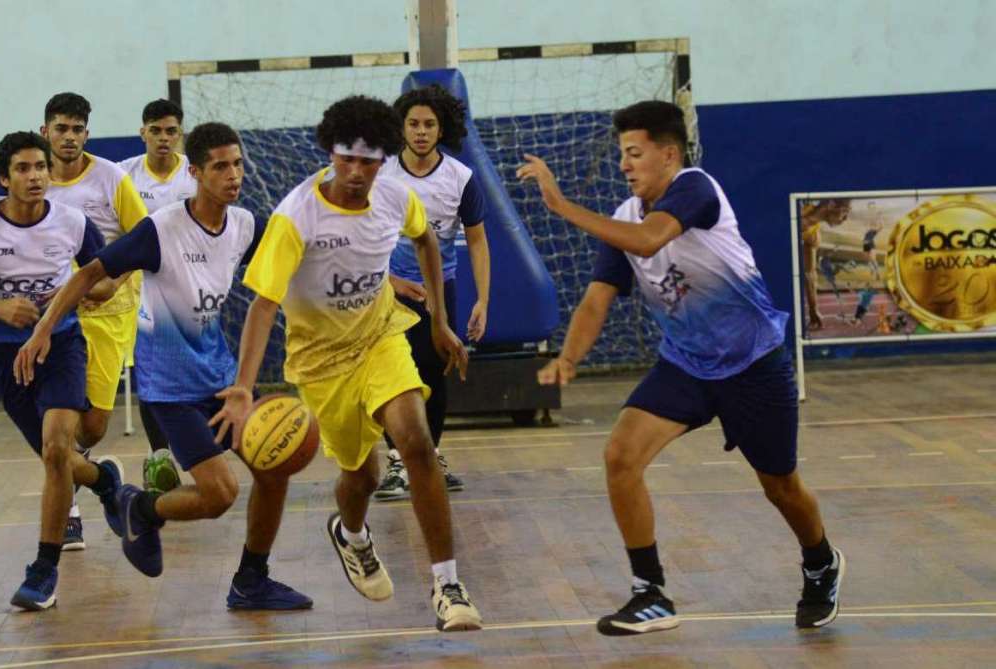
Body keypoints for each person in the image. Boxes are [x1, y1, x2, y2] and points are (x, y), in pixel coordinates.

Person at [518, 100, 844, 635]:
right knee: (621, 456)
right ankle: (650, 593)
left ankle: (820, 561)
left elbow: (651, 239)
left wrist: (561, 205)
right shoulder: (625, 217)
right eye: (622, 154)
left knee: (780, 486)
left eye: (634, 153)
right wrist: (568, 358)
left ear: (668, 155)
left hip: (752, 363)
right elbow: (598, 298)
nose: (624, 165)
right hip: (687, 365)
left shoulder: (696, 188)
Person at [210, 95, 483, 632]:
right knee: (361, 477)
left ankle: (448, 586)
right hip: (321, 361)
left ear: (384, 159)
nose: (357, 172)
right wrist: (243, 386)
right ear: (329, 154)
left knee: (417, 444)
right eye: (346, 159)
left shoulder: (395, 196)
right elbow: (263, 306)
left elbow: (427, 240)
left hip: (380, 338)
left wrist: (438, 318)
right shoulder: (296, 216)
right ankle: (351, 533)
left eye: (369, 161)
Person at [18, 123, 311, 610]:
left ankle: (251, 580)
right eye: (220, 166)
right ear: (195, 172)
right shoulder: (162, 229)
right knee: (220, 494)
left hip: (221, 381)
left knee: (274, 466)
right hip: (170, 390)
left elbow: (292, 262)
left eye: (238, 164)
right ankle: (142, 507)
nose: (234, 175)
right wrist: (45, 327)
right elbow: (90, 273)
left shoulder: (244, 225)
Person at [0, 131, 124, 611]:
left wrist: (73, 295)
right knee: (58, 460)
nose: (34, 176)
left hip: (62, 345)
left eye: (40, 167)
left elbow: (106, 282)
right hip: (7, 356)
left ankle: (43, 569)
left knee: (57, 449)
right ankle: (104, 481)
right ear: (3, 178)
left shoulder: (73, 223)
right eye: (22, 169)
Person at [40, 92, 150, 549]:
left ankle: (93, 471)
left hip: (109, 313)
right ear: (46, 131)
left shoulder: (111, 178)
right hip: (58, 317)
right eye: (61, 128)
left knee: (93, 426)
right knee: (59, 420)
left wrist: (112, 280)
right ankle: (68, 510)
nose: (69, 136)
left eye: (77, 129)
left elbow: (146, 238)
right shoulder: (35, 181)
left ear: (87, 133)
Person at [373, 84, 490, 501]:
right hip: (386, 290)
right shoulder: (381, 174)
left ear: (442, 129)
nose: (421, 132)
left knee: (435, 372)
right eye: (413, 124)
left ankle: (431, 456)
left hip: (439, 291)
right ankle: (397, 462)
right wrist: (387, 280)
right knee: (392, 376)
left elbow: (477, 241)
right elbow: (363, 236)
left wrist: (483, 300)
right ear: (401, 128)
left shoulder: (460, 178)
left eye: (429, 124)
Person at [118, 98, 200, 491]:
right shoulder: (123, 175)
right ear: (143, 133)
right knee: (150, 372)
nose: (163, 138)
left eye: (171, 131)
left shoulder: (195, 175)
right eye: (155, 130)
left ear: (180, 134)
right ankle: (159, 455)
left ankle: (195, 449)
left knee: (190, 374)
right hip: (139, 289)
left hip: (190, 287)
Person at [799, 199, 850, 330]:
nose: (845, 219)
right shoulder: (799, 206)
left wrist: (813, 310)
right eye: (844, 212)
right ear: (831, 205)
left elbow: (810, 275)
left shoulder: (813, 235)